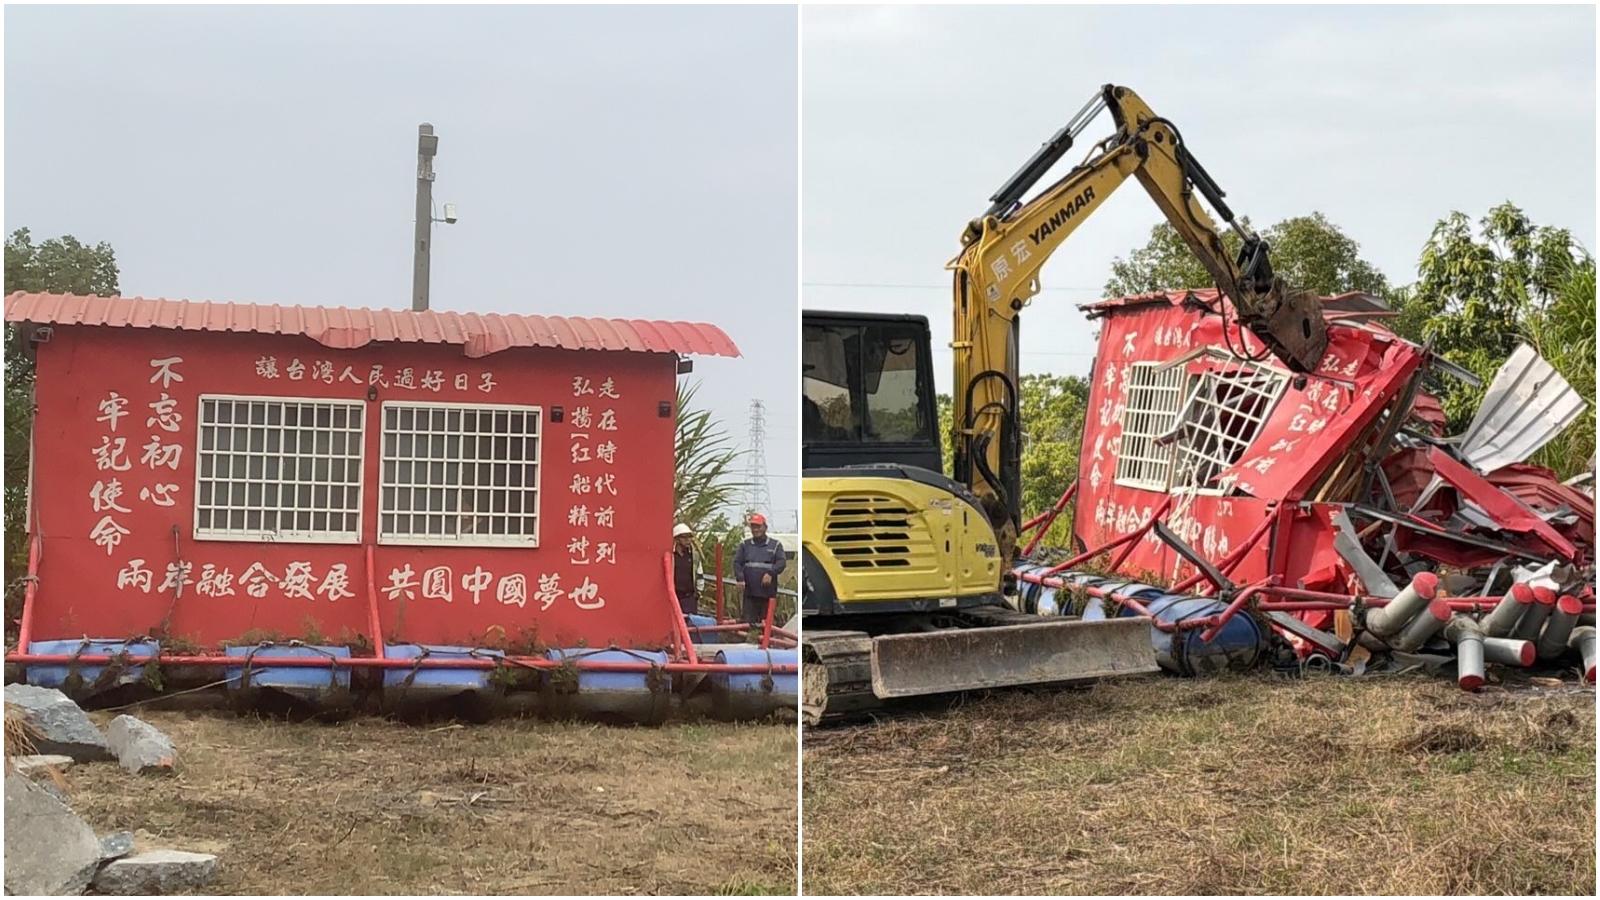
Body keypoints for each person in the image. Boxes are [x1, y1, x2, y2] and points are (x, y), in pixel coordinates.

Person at [733, 514, 786, 633]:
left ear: (765, 527)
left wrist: (771, 573)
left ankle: (766, 648)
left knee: (766, 626)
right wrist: (740, 578)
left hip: (767, 594)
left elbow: (781, 562)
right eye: (753, 527)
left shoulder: (775, 545)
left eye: (758, 526)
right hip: (750, 593)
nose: (755, 529)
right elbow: (737, 562)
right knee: (746, 624)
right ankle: (746, 647)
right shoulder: (744, 545)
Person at [672, 523, 700, 617]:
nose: (688, 540)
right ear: (677, 539)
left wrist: (697, 594)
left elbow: (699, 575)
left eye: (690, 537)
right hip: (674, 597)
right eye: (685, 537)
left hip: (689, 599)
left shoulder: (694, 556)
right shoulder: (671, 556)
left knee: (690, 625)